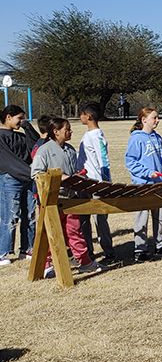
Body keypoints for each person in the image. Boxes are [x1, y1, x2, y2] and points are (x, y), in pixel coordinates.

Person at [31, 117, 107, 277]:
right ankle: (46, 265)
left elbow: (73, 173)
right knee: (50, 233)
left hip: (70, 199)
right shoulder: (44, 150)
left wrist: (77, 178)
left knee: (75, 231)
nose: (70, 132)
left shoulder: (71, 150)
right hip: (51, 201)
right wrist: (58, 178)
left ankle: (85, 262)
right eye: (67, 129)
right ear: (55, 131)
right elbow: (36, 173)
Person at [125, 107, 162, 263]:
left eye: (157, 117)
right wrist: (147, 173)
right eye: (154, 118)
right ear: (144, 120)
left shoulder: (158, 138)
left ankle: (160, 245)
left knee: (160, 214)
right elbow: (131, 162)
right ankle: (140, 249)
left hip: (159, 184)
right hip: (143, 184)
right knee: (142, 215)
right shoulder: (136, 138)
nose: (157, 120)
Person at [0, 105, 38, 267]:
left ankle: (27, 248)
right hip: (10, 179)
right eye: (19, 118)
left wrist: (28, 128)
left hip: (27, 178)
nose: (21, 122)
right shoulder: (1, 137)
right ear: (8, 117)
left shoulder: (20, 136)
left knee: (29, 214)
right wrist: (30, 172)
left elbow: (36, 145)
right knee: (10, 216)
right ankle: (3, 252)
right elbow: (9, 161)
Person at [77, 102, 115, 263]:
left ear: (89, 116)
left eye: (82, 114)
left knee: (100, 219)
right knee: (83, 218)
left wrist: (105, 183)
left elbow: (103, 160)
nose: (80, 117)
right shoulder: (88, 135)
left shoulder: (97, 135)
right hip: (84, 183)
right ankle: (88, 253)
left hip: (96, 184)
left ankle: (109, 253)